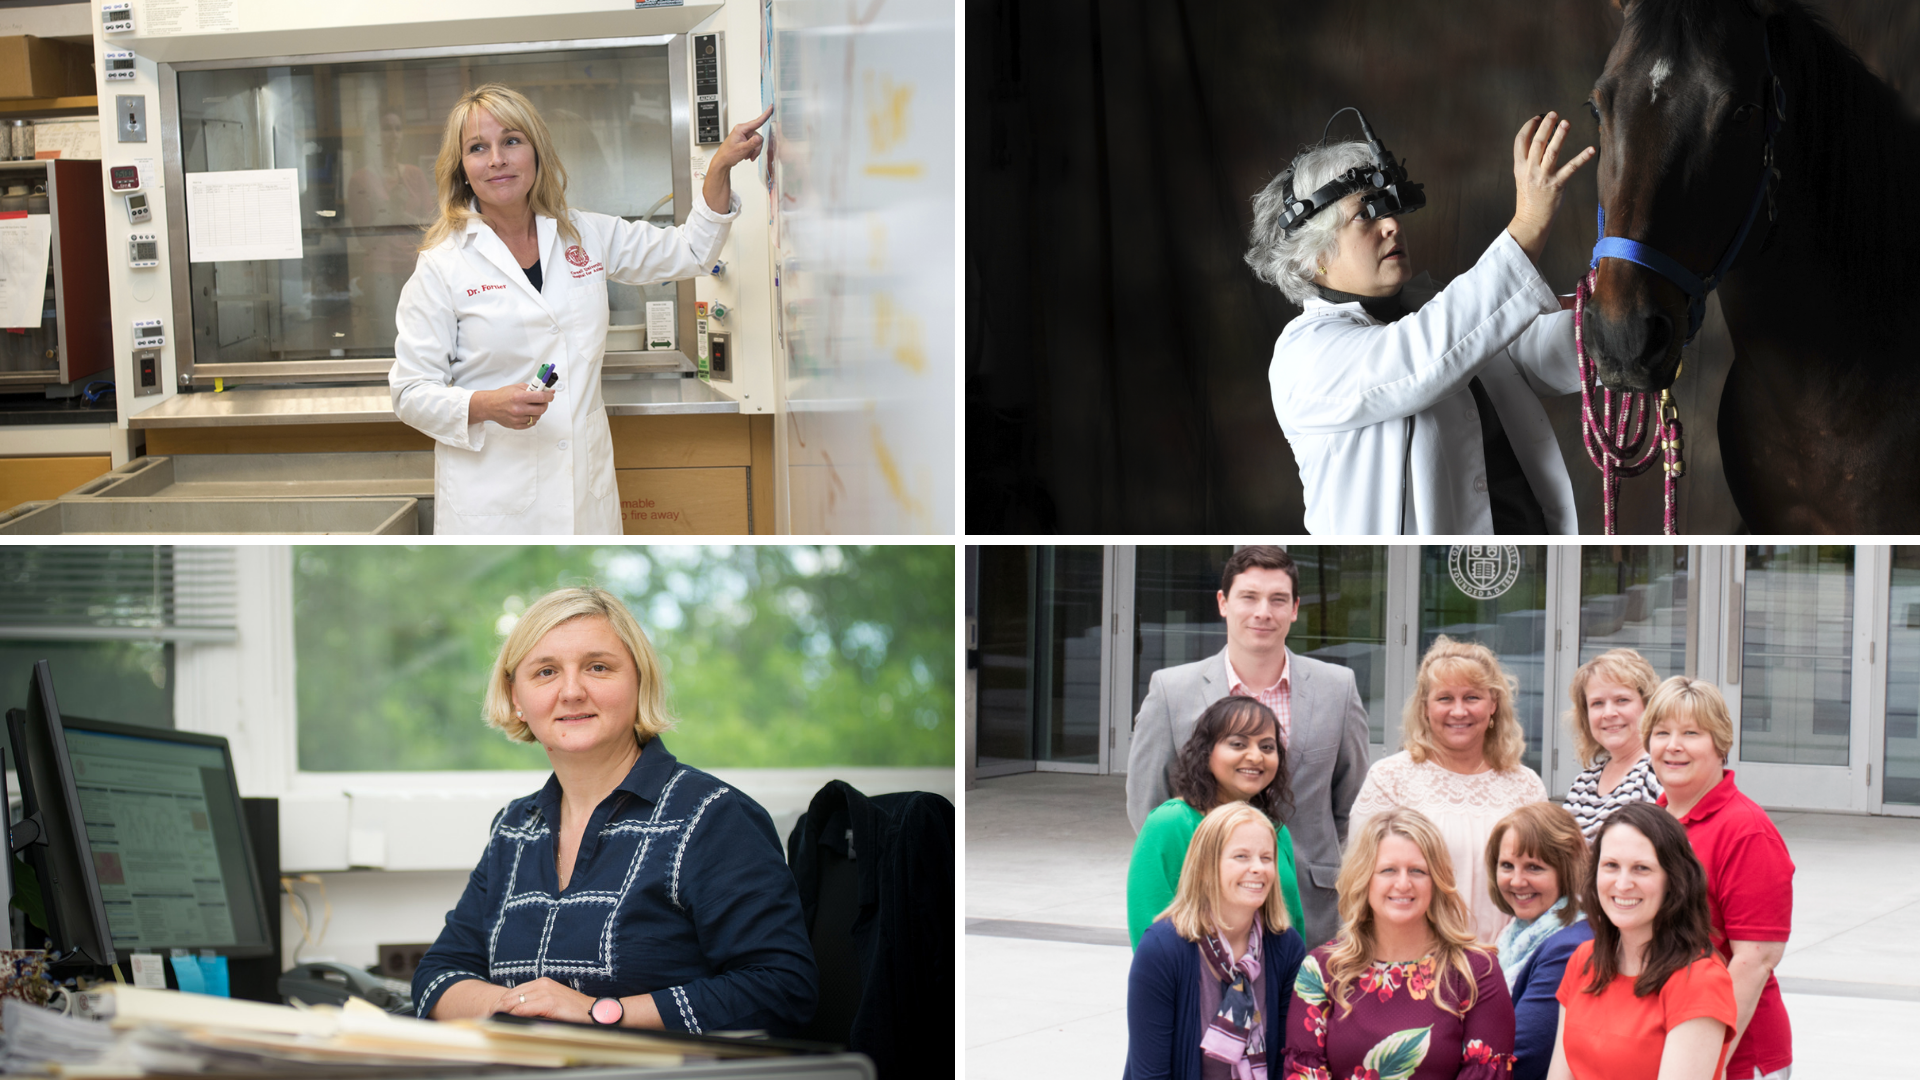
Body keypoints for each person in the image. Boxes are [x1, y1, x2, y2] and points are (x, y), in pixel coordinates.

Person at [410, 587, 817, 1033]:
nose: (571, 691)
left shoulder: (712, 816)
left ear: (639, 681)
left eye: (598, 667)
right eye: (545, 672)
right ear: (516, 699)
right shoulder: (515, 828)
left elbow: (781, 989)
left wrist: (597, 1012)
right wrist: (528, 1005)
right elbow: (438, 976)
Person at [390, 84, 773, 534]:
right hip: (493, 504)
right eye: (478, 148)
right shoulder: (443, 264)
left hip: (582, 493)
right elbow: (410, 393)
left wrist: (720, 165)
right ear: (463, 169)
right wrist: (485, 404)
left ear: (536, 151)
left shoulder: (584, 234)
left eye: (511, 141)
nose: (497, 159)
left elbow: (690, 251)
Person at [1246, 110, 1596, 534]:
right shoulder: (1303, 357)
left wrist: (1639, 313)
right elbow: (1421, 361)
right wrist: (1528, 224)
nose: (1393, 225)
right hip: (1419, 579)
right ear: (1314, 256)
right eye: (1365, 216)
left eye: (1390, 209)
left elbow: (1545, 347)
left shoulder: (1435, 308)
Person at [1127, 545, 1372, 949]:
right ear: (1223, 603)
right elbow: (1148, 804)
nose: (1263, 612)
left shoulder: (1337, 687)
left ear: (1295, 608)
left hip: (1311, 909)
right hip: (1204, 907)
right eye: (1249, 597)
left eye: (1278, 599)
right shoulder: (1171, 690)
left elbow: (1353, 804)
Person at [1284, 808, 1514, 1079]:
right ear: (1365, 878)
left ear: (1437, 881)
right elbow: (1303, 1073)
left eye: (1417, 871)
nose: (1403, 883)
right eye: (1388, 870)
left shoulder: (1476, 972)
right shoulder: (1321, 970)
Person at [1643, 677, 1794, 1080]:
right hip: (1670, 1037)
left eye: (1691, 733)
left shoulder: (1746, 831)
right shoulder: (1654, 822)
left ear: (1720, 744)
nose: (1673, 745)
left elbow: (1754, 960)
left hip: (1734, 1055)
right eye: (1662, 733)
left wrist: (1708, 1061)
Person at [1350, 636, 1546, 944]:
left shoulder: (1526, 785)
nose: (1458, 711)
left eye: (1472, 697)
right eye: (1444, 699)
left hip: (1505, 963)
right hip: (1415, 961)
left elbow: (1543, 883)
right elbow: (1359, 884)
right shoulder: (1390, 780)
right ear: (1425, 708)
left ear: (1493, 704)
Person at [1548, 802, 1738, 1080]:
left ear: (1674, 881)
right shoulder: (1583, 960)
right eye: (1611, 865)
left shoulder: (1699, 981)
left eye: (1641, 868)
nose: (1623, 884)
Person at [1128, 801, 1309, 1080]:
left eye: (1266, 857)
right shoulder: (1162, 949)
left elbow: (1286, 1062)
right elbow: (1150, 1074)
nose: (1258, 868)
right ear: (1205, 867)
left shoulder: (1286, 946)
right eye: (1241, 856)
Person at [1129, 696, 1307, 948]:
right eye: (1238, 744)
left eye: (1267, 747)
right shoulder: (1171, 823)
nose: (1256, 757)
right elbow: (1148, 929)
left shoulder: (1276, 832)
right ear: (1206, 752)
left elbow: (1292, 926)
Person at [1485, 803, 1591, 1080]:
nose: (1517, 881)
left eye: (1534, 867)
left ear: (1566, 870)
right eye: (1507, 866)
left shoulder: (1569, 948)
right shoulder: (1514, 934)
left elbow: (1520, 1059)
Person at [1562, 649, 1664, 837]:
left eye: (1621, 700)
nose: (1609, 713)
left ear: (1647, 705)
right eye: (1597, 703)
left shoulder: (1657, 773)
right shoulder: (1583, 783)